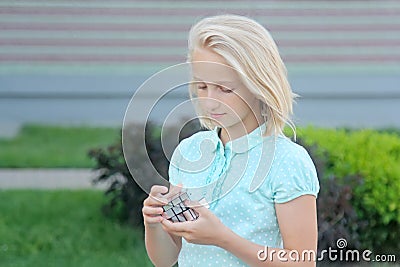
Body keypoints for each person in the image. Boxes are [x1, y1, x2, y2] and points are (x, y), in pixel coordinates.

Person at [142, 14, 320, 267]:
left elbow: (302, 262)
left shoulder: (287, 162)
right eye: (202, 87)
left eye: (225, 89)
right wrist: (154, 224)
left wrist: (222, 238)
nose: (210, 101)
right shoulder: (189, 152)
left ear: (260, 85)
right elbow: (166, 259)